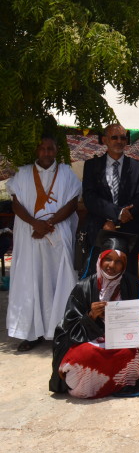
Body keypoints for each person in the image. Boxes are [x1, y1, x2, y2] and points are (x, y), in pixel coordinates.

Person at [49, 231, 139, 399]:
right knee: (86, 354)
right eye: (108, 259)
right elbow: (67, 330)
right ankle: (98, 383)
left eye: (118, 262)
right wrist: (90, 316)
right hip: (90, 343)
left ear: (125, 265)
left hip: (120, 343)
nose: (112, 265)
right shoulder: (83, 287)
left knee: (131, 353)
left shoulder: (133, 285)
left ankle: (106, 383)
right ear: (100, 259)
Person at [7, 135, 81, 351]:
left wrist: (48, 224)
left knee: (60, 281)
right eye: (43, 148)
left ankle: (61, 331)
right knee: (31, 280)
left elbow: (73, 203)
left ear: (56, 150)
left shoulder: (67, 173)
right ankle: (32, 332)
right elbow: (16, 205)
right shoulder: (22, 173)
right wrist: (34, 224)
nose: (47, 153)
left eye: (51, 148)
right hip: (29, 237)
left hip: (58, 237)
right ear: (36, 150)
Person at [81, 123, 139, 278]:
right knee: (98, 278)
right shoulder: (92, 166)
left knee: (128, 280)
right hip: (101, 229)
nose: (119, 141)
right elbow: (90, 198)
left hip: (129, 232)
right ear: (105, 139)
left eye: (123, 138)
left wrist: (118, 220)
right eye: (114, 137)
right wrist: (116, 214)